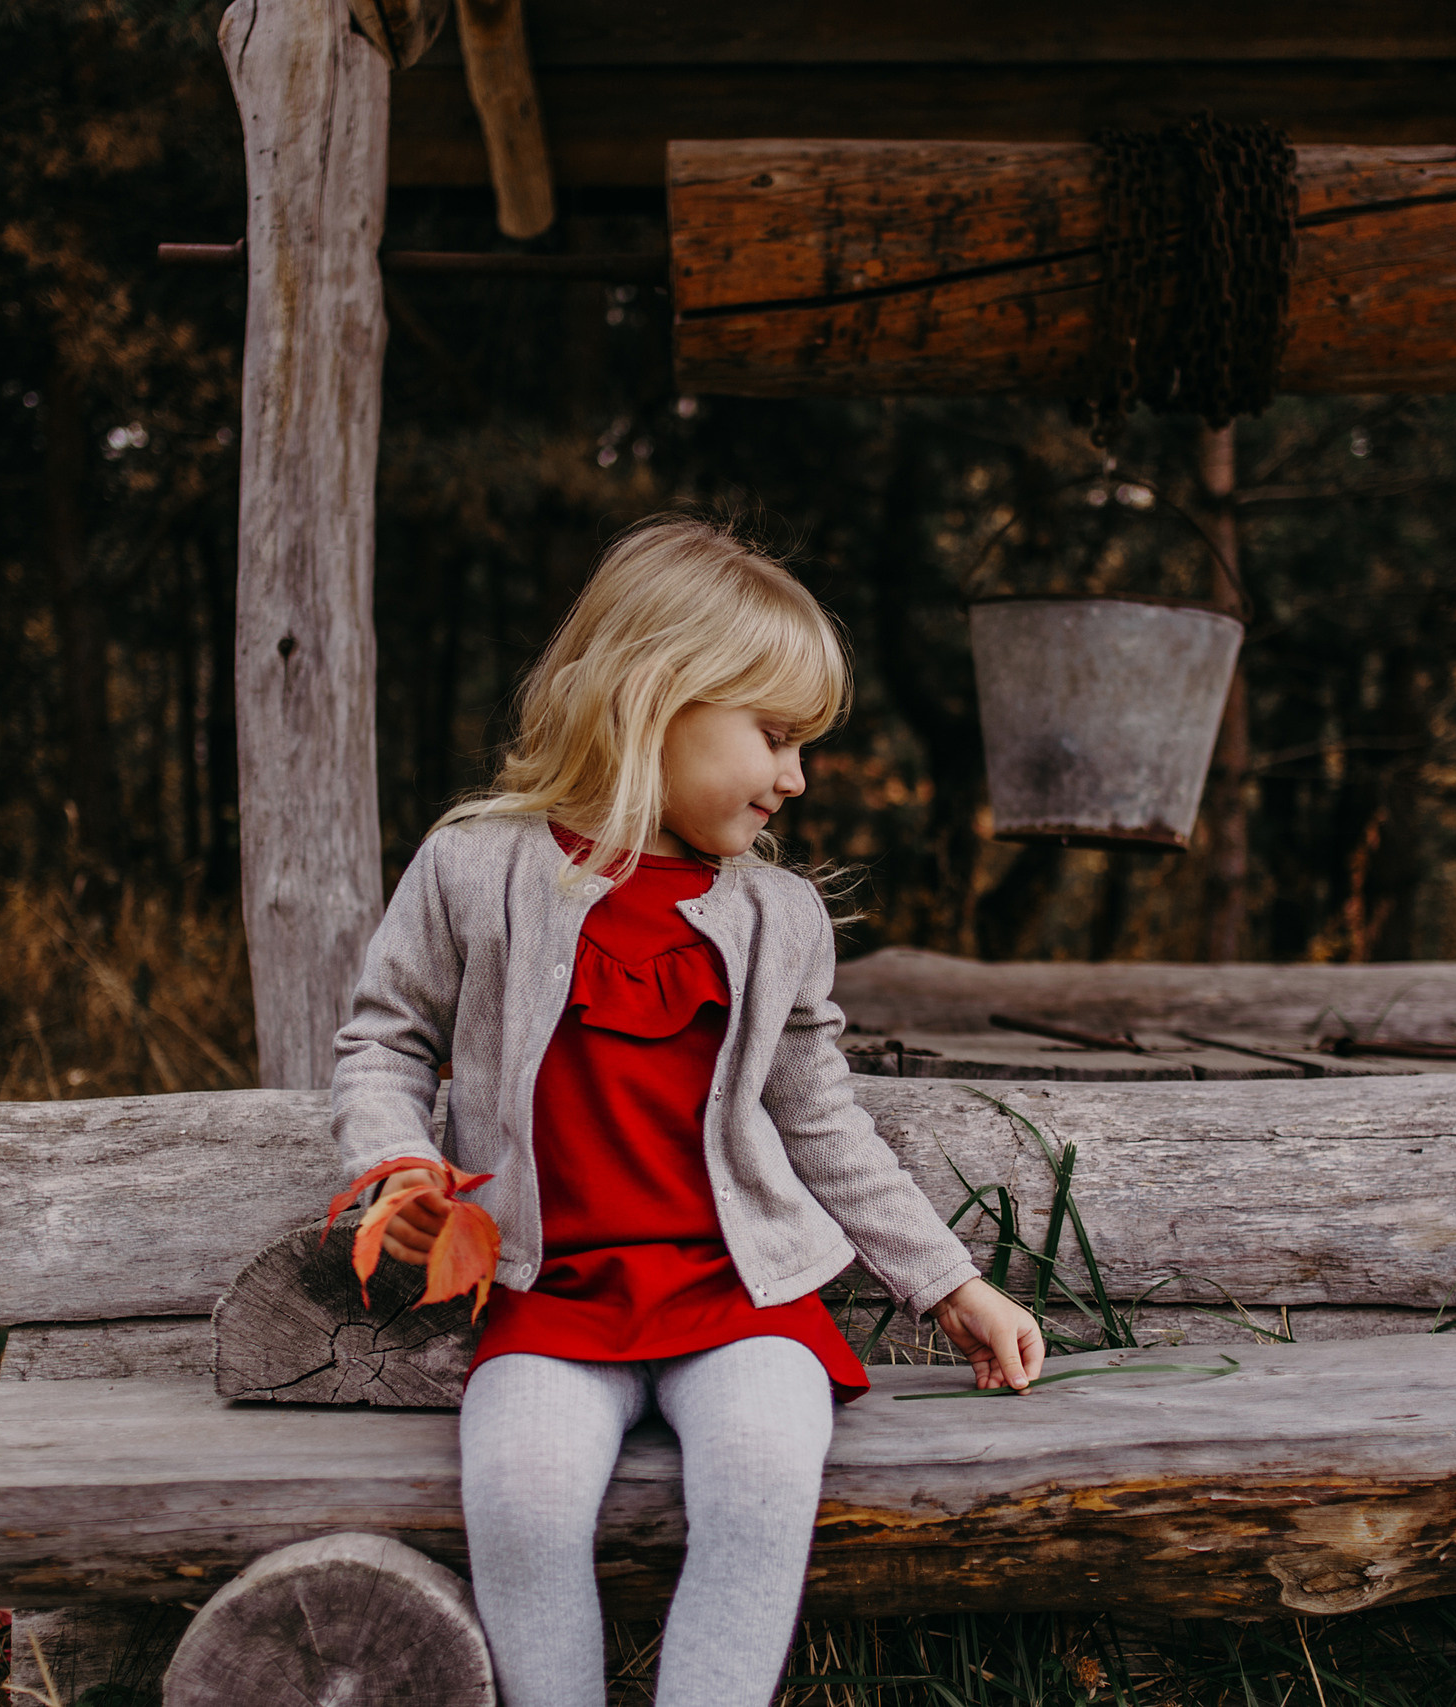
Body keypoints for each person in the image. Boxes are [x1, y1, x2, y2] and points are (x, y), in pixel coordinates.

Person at [330, 514, 1044, 1707]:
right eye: (773, 737)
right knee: (521, 1497)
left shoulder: (779, 918)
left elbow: (825, 1123)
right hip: (548, 1298)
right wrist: (399, 1168)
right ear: (656, 698)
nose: (795, 778)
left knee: (766, 1475)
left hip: (739, 1300)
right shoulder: (475, 867)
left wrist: (950, 1285)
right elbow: (384, 1040)